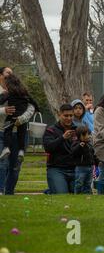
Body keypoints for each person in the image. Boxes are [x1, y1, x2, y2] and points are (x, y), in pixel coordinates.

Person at [0, 67, 35, 195]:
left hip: (19, 131)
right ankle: (0, 191)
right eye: (7, 72)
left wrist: (22, 118)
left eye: (12, 73)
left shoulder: (20, 90)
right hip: (1, 132)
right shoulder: (3, 93)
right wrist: (4, 111)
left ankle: (9, 193)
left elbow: (31, 107)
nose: (10, 75)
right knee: (2, 164)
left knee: (15, 167)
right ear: (0, 75)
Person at [0, 74, 39, 162]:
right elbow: (33, 101)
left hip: (11, 117)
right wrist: (37, 109)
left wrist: (2, 94)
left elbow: (1, 101)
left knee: (7, 131)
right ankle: (21, 151)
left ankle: (6, 148)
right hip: (22, 118)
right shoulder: (24, 93)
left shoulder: (9, 93)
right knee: (21, 134)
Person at [43, 104, 78, 194]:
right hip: (56, 169)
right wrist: (62, 138)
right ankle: (53, 189)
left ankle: (52, 190)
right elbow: (48, 148)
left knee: (79, 195)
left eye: (71, 115)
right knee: (62, 195)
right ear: (59, 115)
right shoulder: (51, 130)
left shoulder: (78, 130)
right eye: (66, 116)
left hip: (75, 169)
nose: (69, 118)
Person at [72, 126, 96, 194]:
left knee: (88, 182)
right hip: (81, 167)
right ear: (79, 136)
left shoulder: (89, 144)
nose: (87, 136)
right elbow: (73, 152)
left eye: (88, 134)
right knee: (79, 182)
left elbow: (93, 154)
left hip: (90, 166)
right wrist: (79, 146)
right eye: (85, 135)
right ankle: (78, 194)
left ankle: (87, 194)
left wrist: (96, 161)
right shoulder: (76, 143)